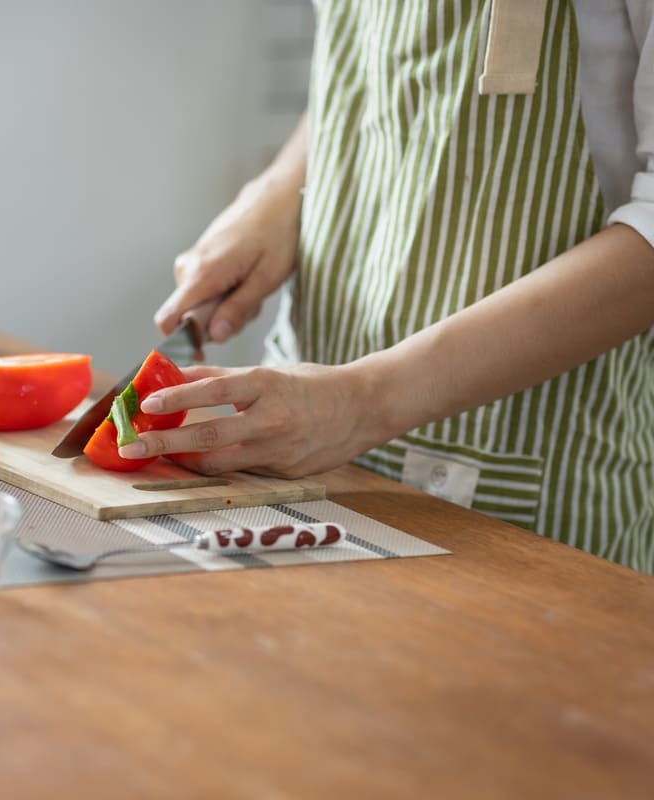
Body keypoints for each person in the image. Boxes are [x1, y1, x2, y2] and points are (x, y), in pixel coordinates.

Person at [123, 0, 654, 574]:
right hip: (296, 446)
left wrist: (364, 401)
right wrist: (279, 193)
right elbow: (381, 65)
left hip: (523, 502)